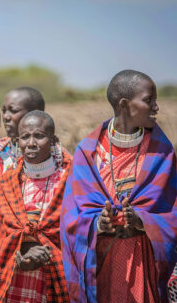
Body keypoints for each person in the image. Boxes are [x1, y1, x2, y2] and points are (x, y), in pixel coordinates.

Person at [61, 70, 177, 303]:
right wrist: (96, 223)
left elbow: (173, 214)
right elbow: (70, 216)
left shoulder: (162, 154)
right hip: (99, 264)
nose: (156, 107)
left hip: (143, 262)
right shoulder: (88, 153)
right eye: (148, 100)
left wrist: (143, 221)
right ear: (124, 105)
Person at [0, 111, 71, 303]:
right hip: (13, 283)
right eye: (25, 137)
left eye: (39, 136)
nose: (31, 143)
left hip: (57, 282)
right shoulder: (6, 183)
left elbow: (80, 232)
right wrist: (22, 249)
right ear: (18, 141)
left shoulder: (70, 180)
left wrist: (44, 250)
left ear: (53, 141)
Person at [0, 87, 45, 162]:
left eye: (14, 111)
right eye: (4, 111)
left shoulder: (56, 157)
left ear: (36, 113)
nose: (5, 117)